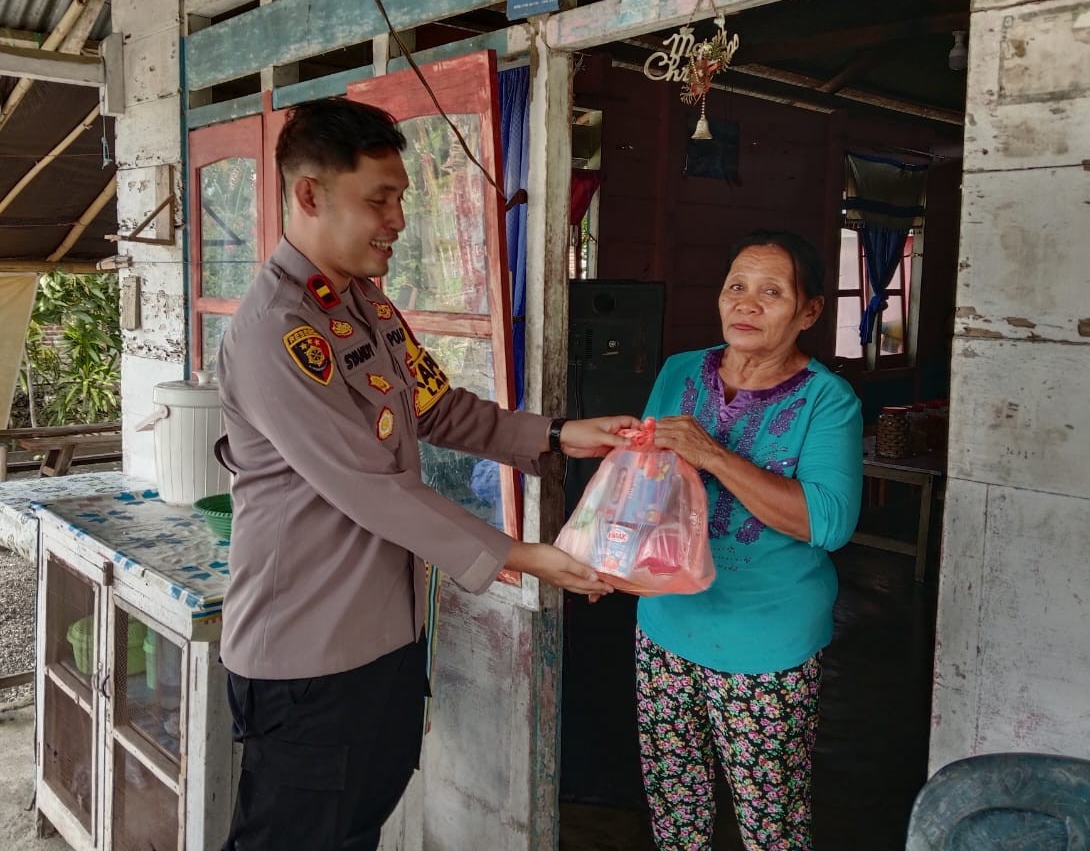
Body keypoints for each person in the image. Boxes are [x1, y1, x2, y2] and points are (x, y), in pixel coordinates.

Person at [214, 97, 636, 851]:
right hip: (310, 655)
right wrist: (524, 559)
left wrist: (563, 436)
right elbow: (369, 485)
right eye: (379, 199)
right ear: (309, 195)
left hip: (384, 642)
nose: (398, 222)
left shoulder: (364, 309)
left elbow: (438, 410)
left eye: (401, 199)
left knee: (354, 832)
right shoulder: (276, 332)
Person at [636, 230, 862, 851]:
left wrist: (713, 455)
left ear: (809, 311)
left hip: (766, 642)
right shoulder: (680, 371)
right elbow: (645, 479)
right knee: (675, 806)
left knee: (771, 822)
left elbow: (829, 522)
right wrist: (610, 559)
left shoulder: (828, 401)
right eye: (737, 286)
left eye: (772, 291)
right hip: (664, 621)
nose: (747, 303)